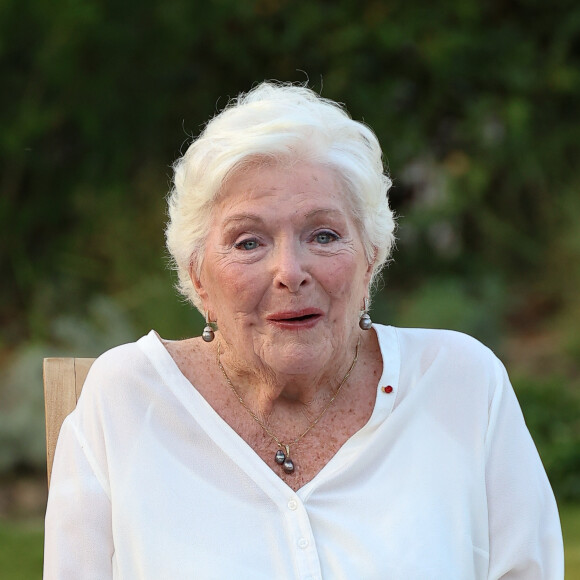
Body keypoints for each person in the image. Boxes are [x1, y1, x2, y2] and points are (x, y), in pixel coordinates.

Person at [44, 82, 563, 579]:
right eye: (248, 242)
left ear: (371, 259)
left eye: (323, 234)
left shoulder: (463, 385)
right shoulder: (127, 401)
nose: (290, 271)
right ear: (199, 276)